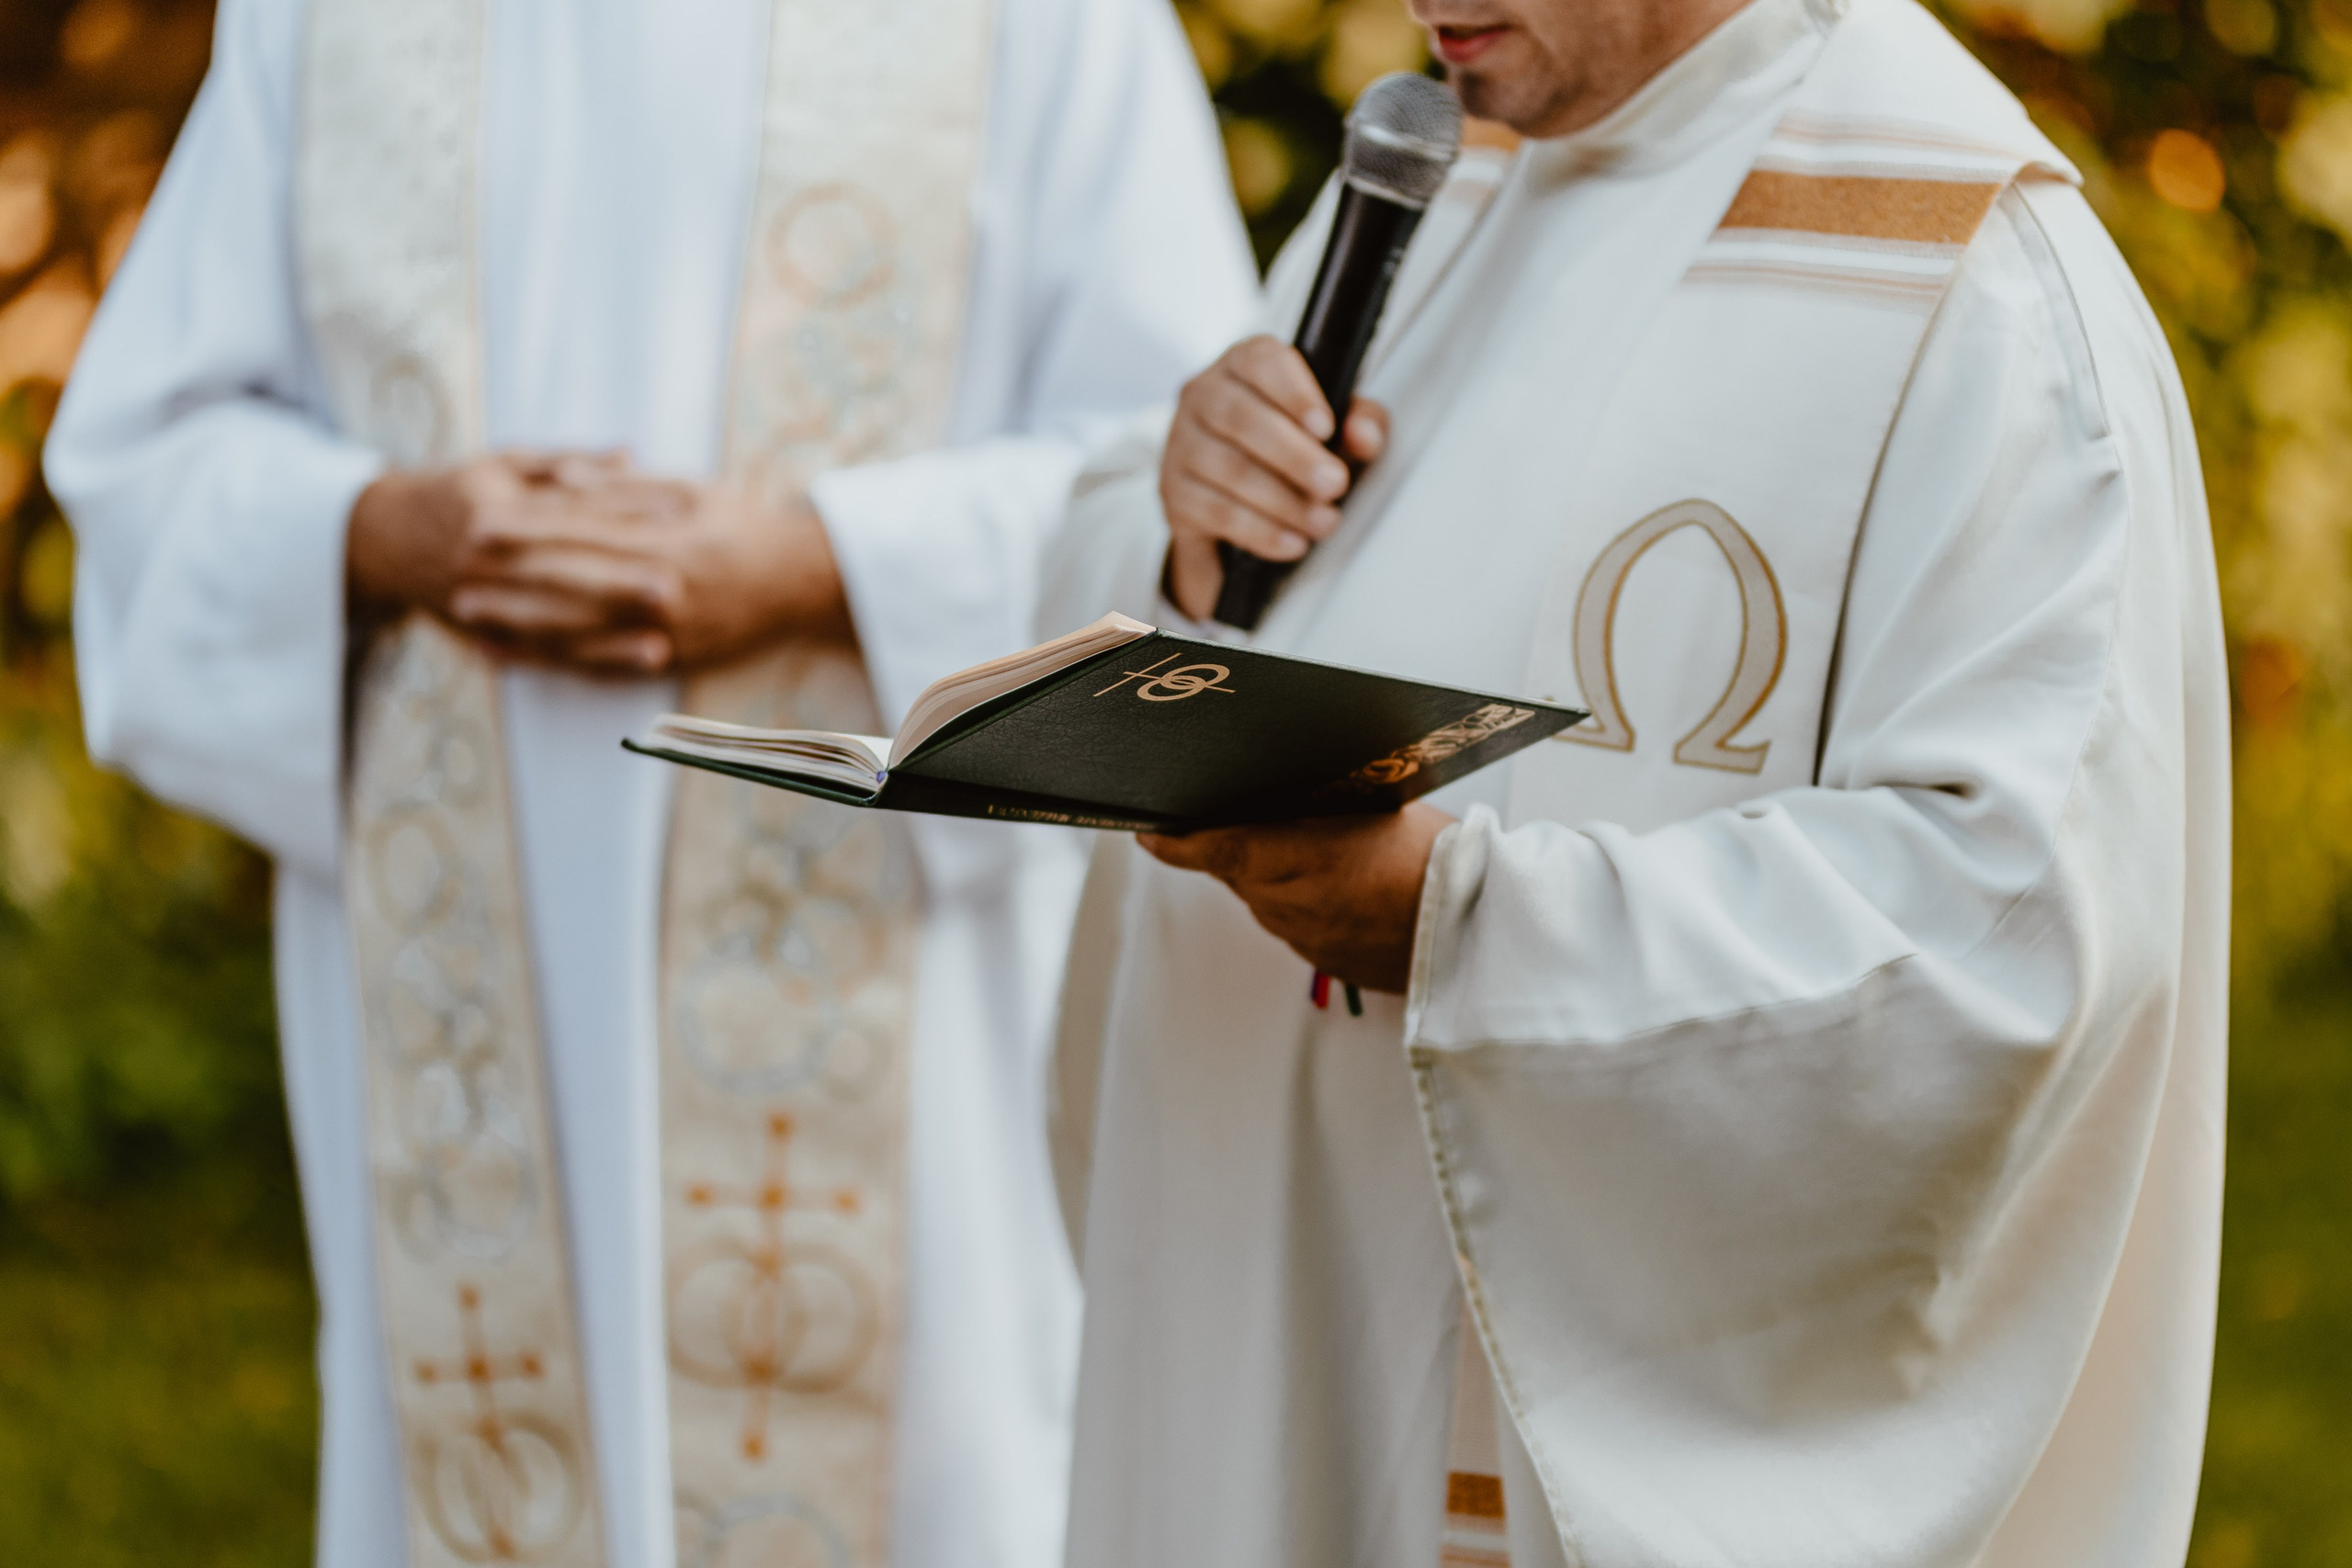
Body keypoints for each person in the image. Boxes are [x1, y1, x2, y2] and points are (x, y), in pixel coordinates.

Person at [45, 0, 1258, 1563]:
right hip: (473, 930)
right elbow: (149, 459)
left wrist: (821, 560)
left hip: (888, 937)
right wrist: (386, 530)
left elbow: (1181, 479)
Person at [1039, 0, 2227, 1562]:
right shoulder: (1436, 182)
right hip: (1260, 1316)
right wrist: (1186, 528)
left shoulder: (1979, 289)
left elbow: (2004, 937)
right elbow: (1121, 548)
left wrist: (1461, 929)